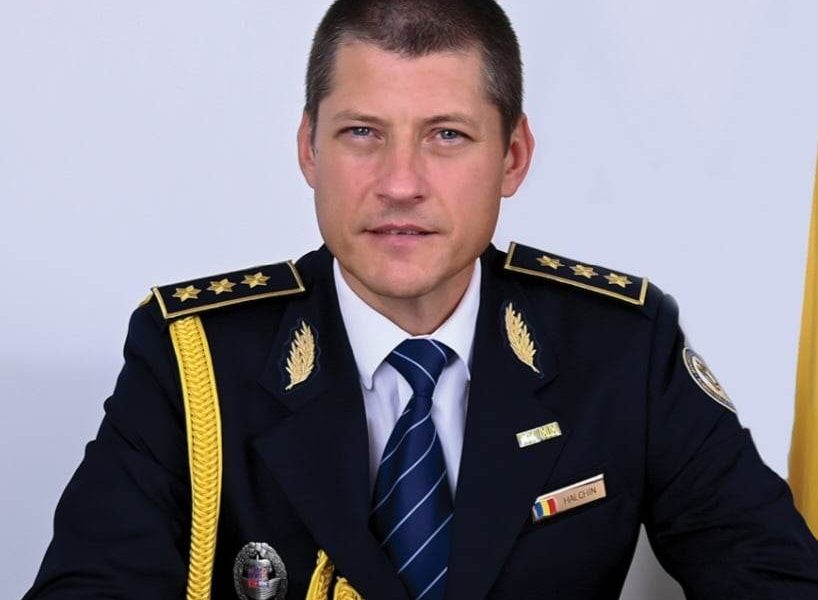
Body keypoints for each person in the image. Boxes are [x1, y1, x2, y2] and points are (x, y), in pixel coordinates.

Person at [24, 1, 818, 599]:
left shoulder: (621, 348)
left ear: (513, 157)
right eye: (362, 133)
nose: (400, 184)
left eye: (446, 135)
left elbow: (774, 576)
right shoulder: (192, 360)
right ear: (308, 149)